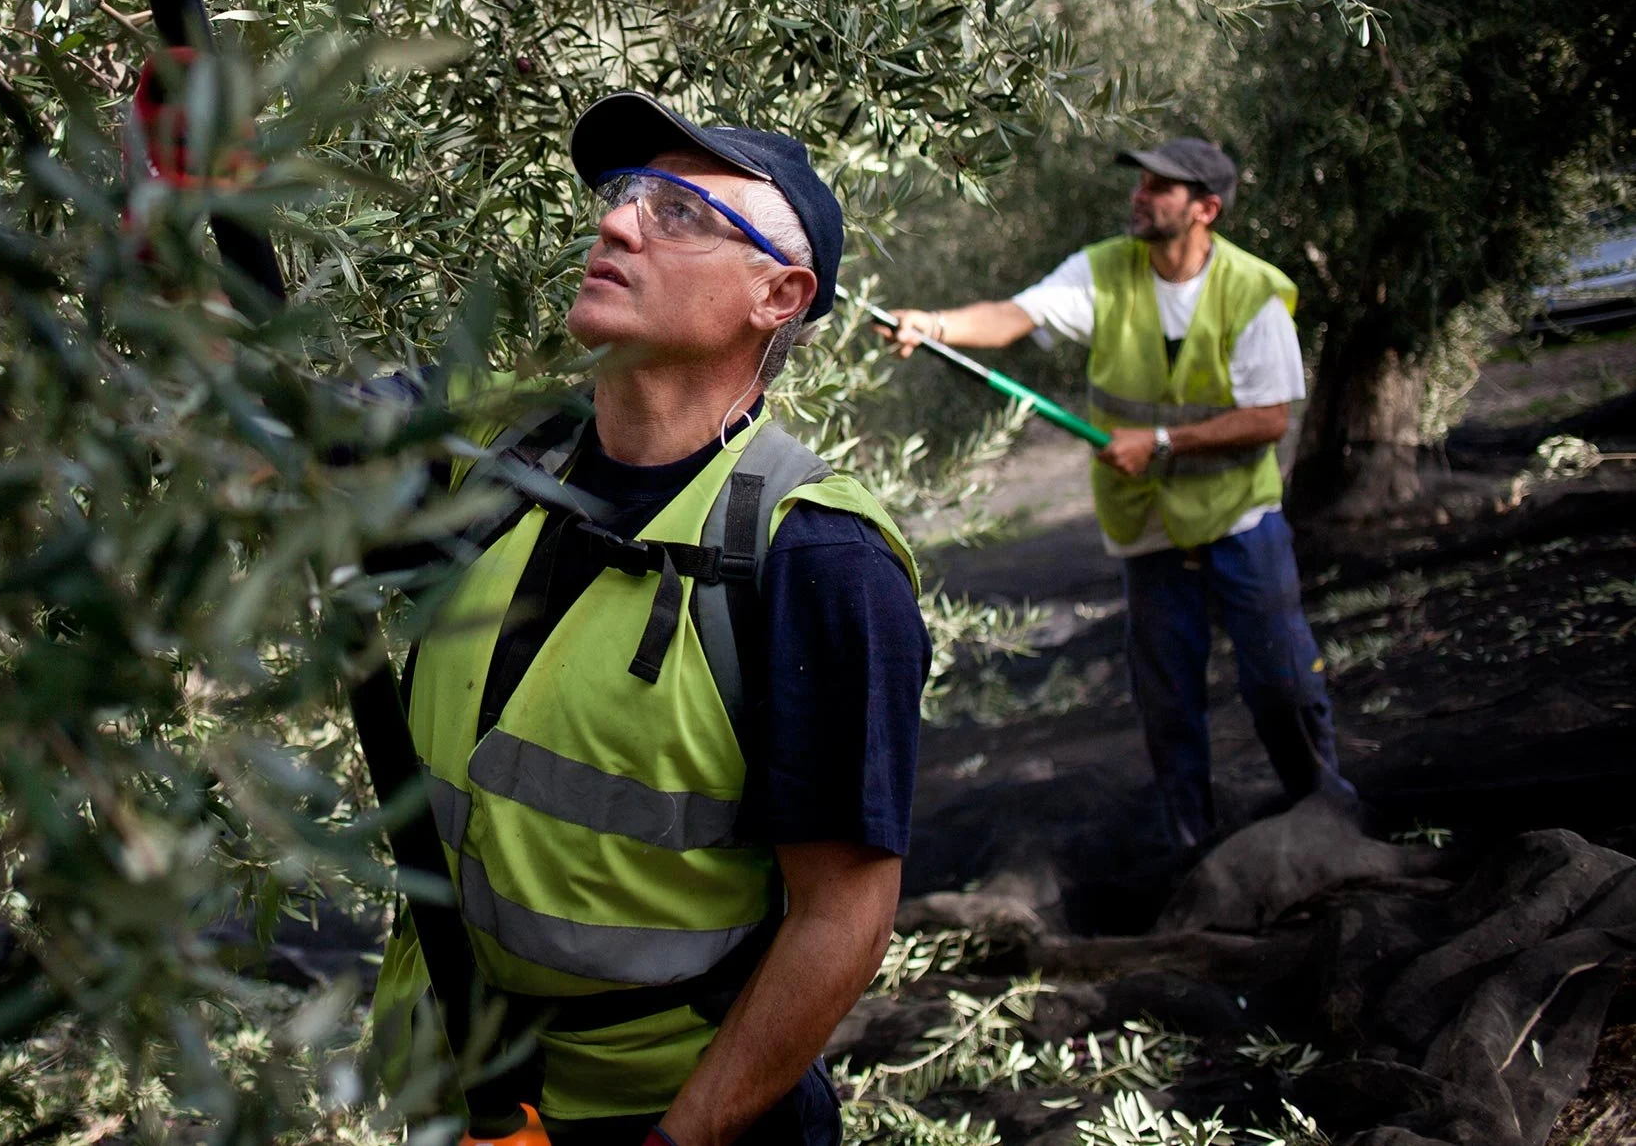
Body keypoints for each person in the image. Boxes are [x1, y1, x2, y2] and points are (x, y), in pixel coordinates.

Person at [369, 92, 929, 1146]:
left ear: (778, 294)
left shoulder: (816, 559)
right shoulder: (502, 458)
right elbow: (271, 432)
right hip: (463, 1093)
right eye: (628, 195)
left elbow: (842, 916)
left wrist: (674, 1143)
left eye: (679, 212)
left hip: (671, 1117)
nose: (618, 222)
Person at [882, 138, 1356, 848]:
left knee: (1283, 683)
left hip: (1239, 518)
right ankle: (1192, 845)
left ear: (1205, 209)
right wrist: (936, 324)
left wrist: (1159, 442)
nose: (1140, 195)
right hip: (1148, 525)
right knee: (1167, 698)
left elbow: (1269, 419)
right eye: (1142, 183)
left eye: (1160, 187)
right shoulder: (1103, 270)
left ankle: (1328, 816)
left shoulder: (1253, 291)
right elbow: (1017, 315)